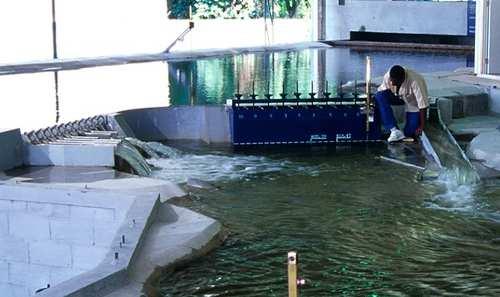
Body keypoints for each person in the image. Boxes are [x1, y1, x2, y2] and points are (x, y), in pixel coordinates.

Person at [374, 65, 429, 143]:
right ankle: (394, 130)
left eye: (394, 81)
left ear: (402, 79)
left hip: (413, 103)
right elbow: (381, 92)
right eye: (391, 80)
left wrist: (422, 126)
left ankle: (407, 130)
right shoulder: (388, 76)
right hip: (396, 97)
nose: (392, 83)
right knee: (379, 96)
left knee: (409, 132)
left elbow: (423, 105)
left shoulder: (415, 81)